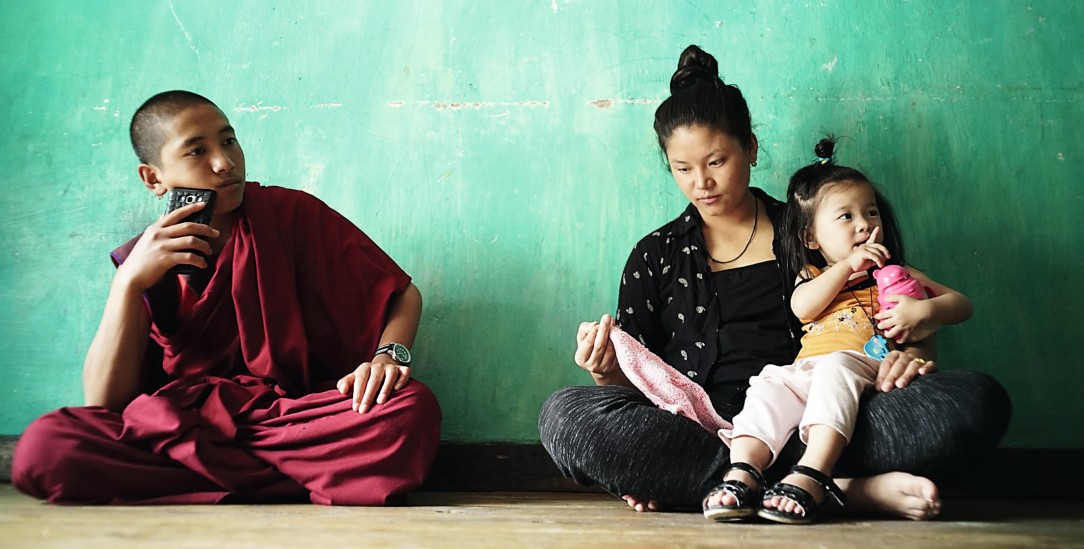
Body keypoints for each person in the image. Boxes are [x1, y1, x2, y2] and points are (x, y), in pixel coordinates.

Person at [537, 45, 1010, 520]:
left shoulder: (812, 232)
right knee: (564, 416)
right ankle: (833, 486)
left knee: (975, 400)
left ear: (751, 149)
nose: (701, 182)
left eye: (717, 161)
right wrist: (603, 370)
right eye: (683, 169)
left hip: (824, 411)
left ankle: (725, 483)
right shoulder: (654, 255)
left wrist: (907, 359)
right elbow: (639, 383)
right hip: (701, 426)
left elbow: (891, 302)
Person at [12, 91, 441, 505]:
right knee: (46, 448)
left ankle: (212, 476)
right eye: (196, 152)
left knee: (408, 410)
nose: (225, 162)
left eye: (229, 140)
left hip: (290, 416)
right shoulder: (143, 261)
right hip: (186, 424)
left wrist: (389, 356)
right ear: (153, 177)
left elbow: (402, 294)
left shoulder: (291, 215)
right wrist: (129, 283)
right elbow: (104, 403)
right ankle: (308, 477)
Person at [704, 137, 973, 524]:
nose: (865, 224)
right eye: (846, 217)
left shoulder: (897, 275)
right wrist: (846, 267)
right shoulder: (815, 275)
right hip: (806, 371)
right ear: (811, 238)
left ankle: (813, 471)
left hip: (861, 368)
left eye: (871, 213)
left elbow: (962, 304)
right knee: (768, 384)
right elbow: (802, 307)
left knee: (836, 368)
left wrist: (924, 308)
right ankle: (744, 471)